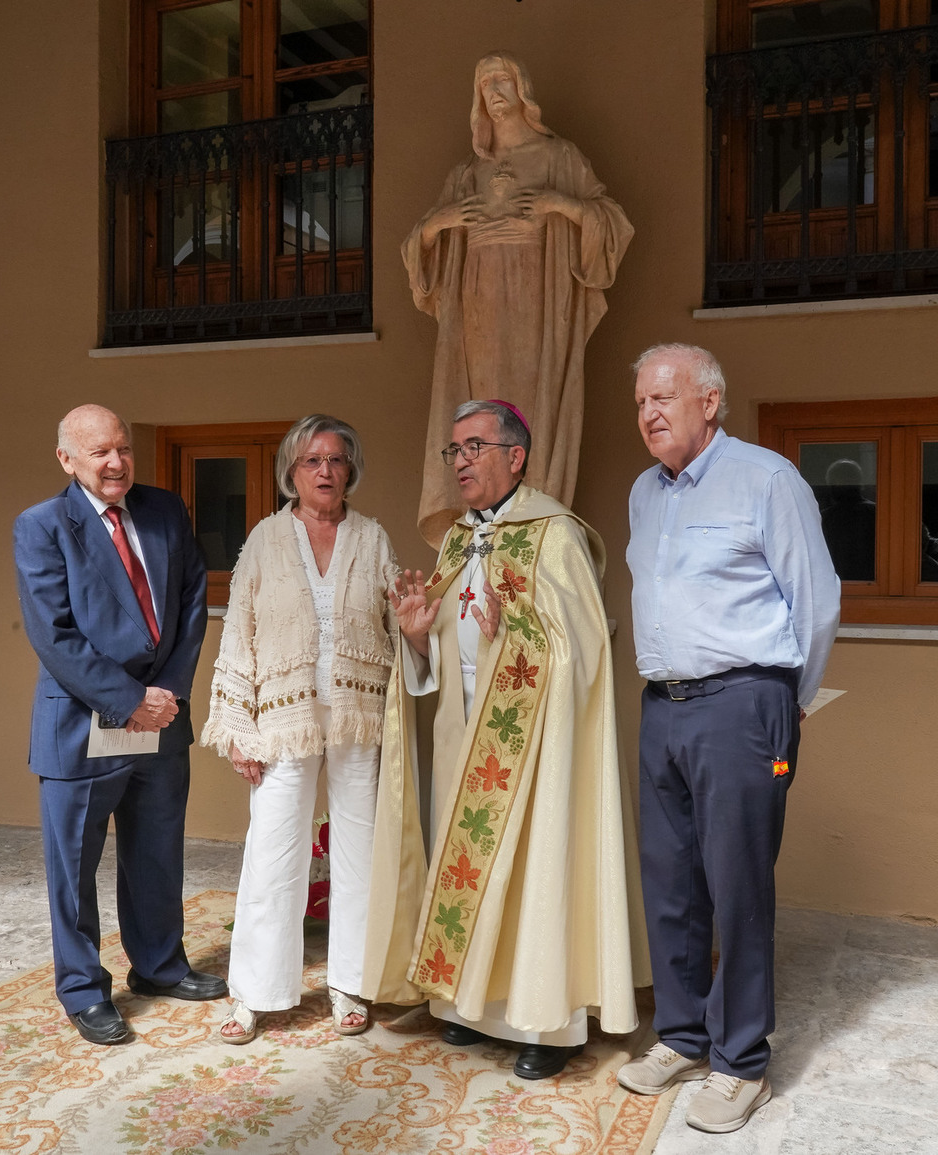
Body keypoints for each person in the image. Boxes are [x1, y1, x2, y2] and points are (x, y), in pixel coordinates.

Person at [363, 399, 650, 1080]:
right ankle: (468, 1007)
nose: (459, 461)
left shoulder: (555, 535)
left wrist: (520, 633)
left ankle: (546, 1024)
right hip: (465, 733)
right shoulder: (459, 540)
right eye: (453, 450)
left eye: (473, 447)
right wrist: (414, 636)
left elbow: (584, 652)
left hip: (536, 745)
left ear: (514, 457)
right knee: (465, 872)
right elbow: (443, 643)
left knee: (535, 871)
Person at [620, 345, 840, 1133]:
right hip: (663, 706)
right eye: (641, 399)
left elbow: (815, 601)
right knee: (671, 880)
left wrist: (787, 699)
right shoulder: (646, 493)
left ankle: (740, 1059)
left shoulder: (767, 478)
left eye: (664, 397)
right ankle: (681, 1035)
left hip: (744, 702)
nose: (648, 412)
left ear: (710, 402)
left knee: (739, 882)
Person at [13, 404, 226, 1046]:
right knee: (74, 867)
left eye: (123, 449)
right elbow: (53, 635)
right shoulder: (42, 526)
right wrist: (130, 698)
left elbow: (192, 598)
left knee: (157, 851)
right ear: (67, 459)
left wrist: (167, 695)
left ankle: (159, 968)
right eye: (100, 452)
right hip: (82, 725)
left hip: (161, 716)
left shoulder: (163, 509)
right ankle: (82, 989)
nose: (116, 462)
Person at [201, 415, 398, 1044]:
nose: (325, 470)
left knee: (360, 855)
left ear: (351, 470)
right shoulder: (264, 539)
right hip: (283, 719)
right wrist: (237, 724)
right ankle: (255, 994)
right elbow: (240, 632)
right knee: (272, 851)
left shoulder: (373, 539)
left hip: (358, 716)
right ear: (292, 469)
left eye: (337, 459)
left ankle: (351, 984)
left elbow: (397, 629)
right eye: (312, 460)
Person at [403, 53, 634, 547]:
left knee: (532, 407)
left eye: (501, 79)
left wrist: (562, 204)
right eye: (484, 83)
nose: (493, 90)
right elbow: (418, 250)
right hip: (476, 308)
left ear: (522, 87)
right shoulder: (467, 173)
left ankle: (533, 520)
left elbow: (613, 220)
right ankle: (480, 519)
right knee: (477, 409)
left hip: (535, 306)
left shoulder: (559, 157)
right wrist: (438, 224)